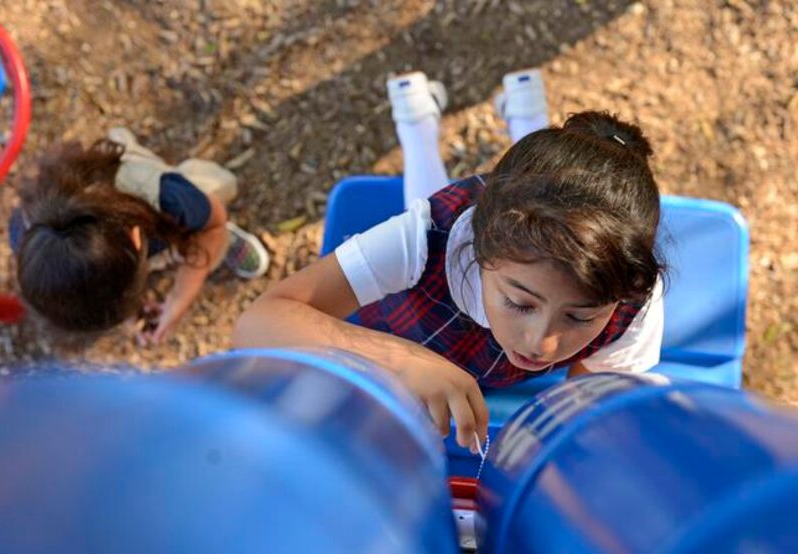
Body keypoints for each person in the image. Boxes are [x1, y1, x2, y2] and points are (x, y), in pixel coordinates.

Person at [233, 68, 665, 453]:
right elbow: (260, 322)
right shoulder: (426, 237)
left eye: (579, 317)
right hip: (399, 339)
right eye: (519, 303)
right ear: (479, 250)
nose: (542, 343)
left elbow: (586, 395)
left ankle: (471, 119)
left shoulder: (631, 288)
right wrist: (402, 362)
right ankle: (422, 128)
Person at [10, 128, 270, 344]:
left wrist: (179, 298)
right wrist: (125, 300)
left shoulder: (169, 198)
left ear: (137, 239)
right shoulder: (29, 237)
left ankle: (221, 241)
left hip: (150, 185)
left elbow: (214, 220)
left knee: (217, 191)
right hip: (107, 187)